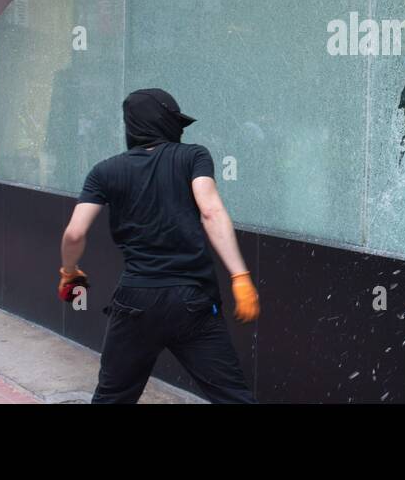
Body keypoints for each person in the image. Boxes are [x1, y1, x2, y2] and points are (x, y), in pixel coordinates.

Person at [60, 88, 259, 404]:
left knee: (112, 398)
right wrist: (239, 276)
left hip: (136, 300)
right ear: (165, 123)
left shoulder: (104, 171)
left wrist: (69, 273)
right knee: (233, 398)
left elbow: (74, 233)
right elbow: (211, 210)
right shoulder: (193, 156)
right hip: (192, 301)